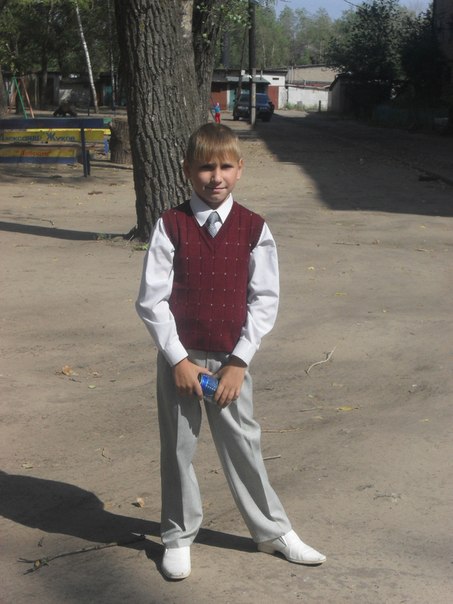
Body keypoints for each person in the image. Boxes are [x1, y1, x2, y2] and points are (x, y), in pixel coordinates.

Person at [136, 123, 326, 580]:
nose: (215, 177)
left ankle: (272, 531)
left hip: (230, 360)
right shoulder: (171, 225)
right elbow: (151, 299)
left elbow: (264, 299)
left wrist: (239, 361)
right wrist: (178, 360)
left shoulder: (253, 228)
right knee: (178, 448)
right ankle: (178, 535)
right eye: (205, 167)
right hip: (180, 359)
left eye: (225, 166)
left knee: (244, 443)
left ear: (240, 169)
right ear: (187, 170)